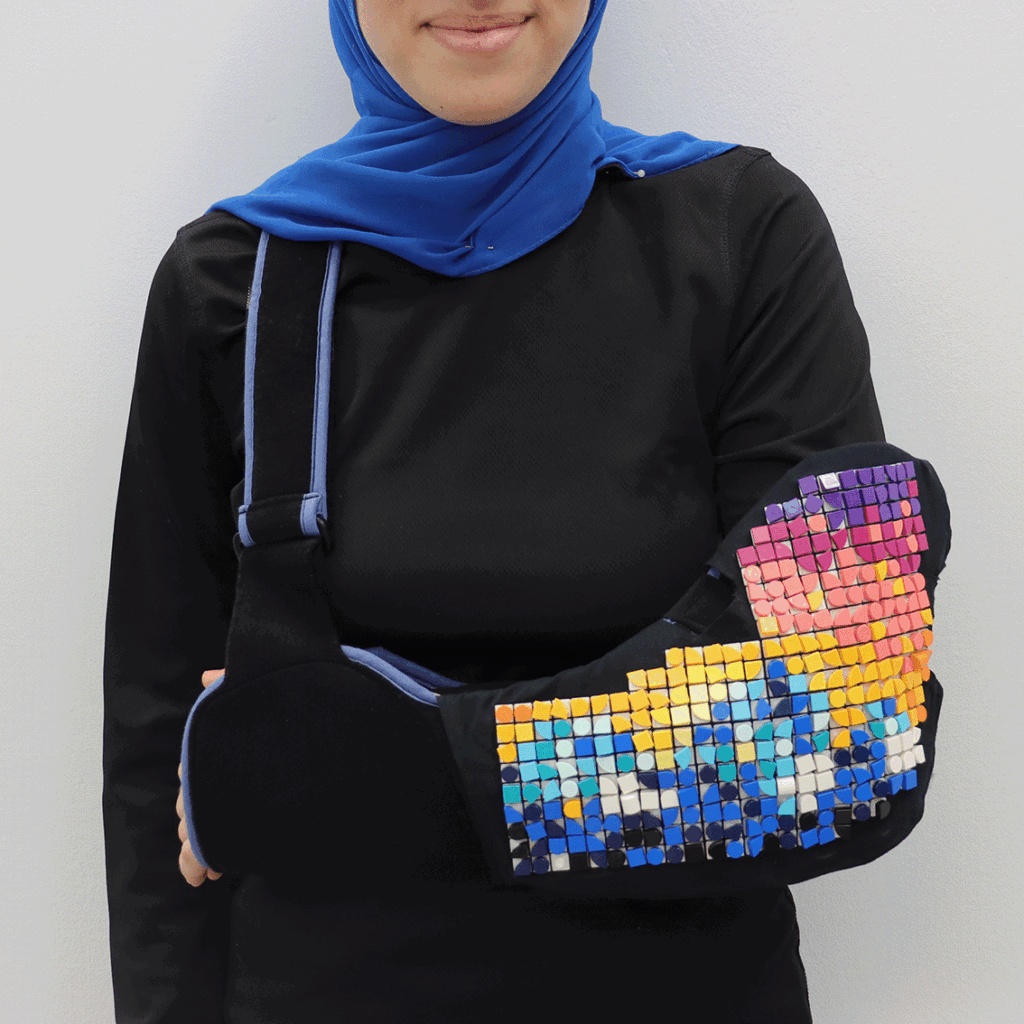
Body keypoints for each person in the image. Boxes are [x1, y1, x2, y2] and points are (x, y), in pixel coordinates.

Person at [103, 2, 885, 1021]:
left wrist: (371, 776)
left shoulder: (748, 233)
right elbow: (155, 748)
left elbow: (845, 740)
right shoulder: (226, 286)